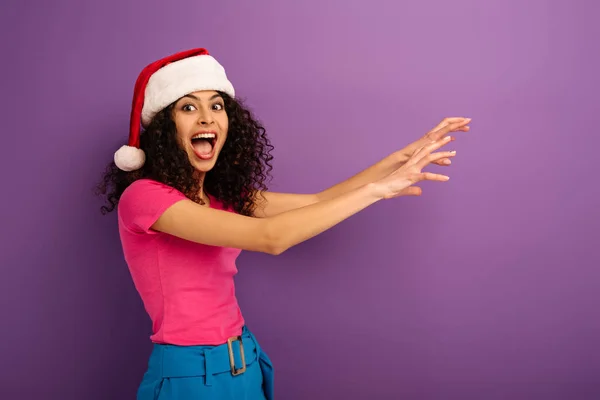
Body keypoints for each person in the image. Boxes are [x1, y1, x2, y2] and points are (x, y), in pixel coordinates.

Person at [97, 47, 470, 400]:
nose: (207, 117)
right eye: (189, 107)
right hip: (192, 378)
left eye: (217, 105)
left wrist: (401, 157)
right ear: (165, 128)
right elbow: (271, 237)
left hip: (246, 364)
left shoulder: (222, 199)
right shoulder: (144, 198)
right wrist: (379, 190)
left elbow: (318, 202)